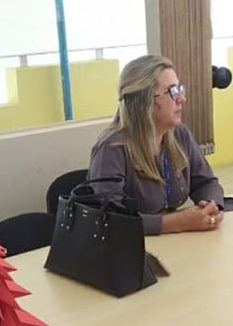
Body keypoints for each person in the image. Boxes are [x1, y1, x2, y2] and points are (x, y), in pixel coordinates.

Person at [87, 55, 225, 234]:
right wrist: (178, 222)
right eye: (172, 91)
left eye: (179, 89)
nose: (181, 98)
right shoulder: (112, 149)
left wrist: (212, 206)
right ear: (146, 101)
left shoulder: (179, 134)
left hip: (172, 243)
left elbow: (206, 182)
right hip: (132, 247)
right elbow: (110, 220)